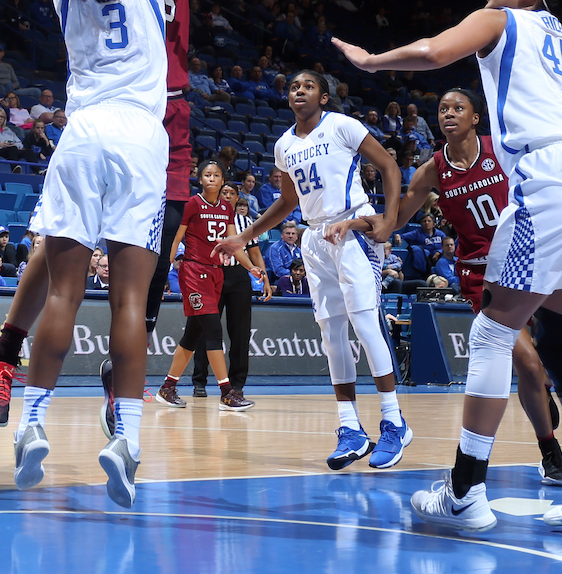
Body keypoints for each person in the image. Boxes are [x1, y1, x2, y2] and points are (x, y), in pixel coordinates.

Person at [0, 0, 276, 438]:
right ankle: (73, 391)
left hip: (118, 125)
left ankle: (53, 411)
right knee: (108, 283)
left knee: (82, 276)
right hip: (141, 129)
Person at [331, 0, 562, 529]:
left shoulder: (501, 19)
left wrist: (370, 60)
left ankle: (463, 492)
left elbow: (435, 52)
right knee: (556, 339)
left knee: (491, 332)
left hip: (554, 178)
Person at [8, 0, 229, 510]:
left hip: (81, 135)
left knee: (63, 292)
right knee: (131, 301)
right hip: (139, 138)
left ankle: (32, 425)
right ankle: (125, 439)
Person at [330, 86, 562, 485]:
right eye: (442, 108)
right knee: (527, 363)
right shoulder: (432, 170)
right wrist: (354, 223)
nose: (448, 114)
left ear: (475, 117)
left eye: (458, 108)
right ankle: (552, 455)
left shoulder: (505, 148)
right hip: (483, 276)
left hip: (530, 260)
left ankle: (543, 389)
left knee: (544, 365)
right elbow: (395, 220)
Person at [216, 70, 407, 470]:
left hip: (352, 228)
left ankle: (393, 421)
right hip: (316, 238)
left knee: (365, 324)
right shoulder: (285, 144)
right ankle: (350, 427)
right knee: (331, 333)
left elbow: (390, 166)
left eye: (308, 86)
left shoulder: (342, 125)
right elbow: (287, 203)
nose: (298, 91)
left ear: (324, 96)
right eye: (292, 87)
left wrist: (388, 220)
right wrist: (244, 237)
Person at [154, 160, 267, 411]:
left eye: (216, 175)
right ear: (200, 179)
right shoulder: (193, 204)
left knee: (192, 334)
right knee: (213, 331)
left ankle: (167, 387)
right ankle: (227, 392)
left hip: (216, 274)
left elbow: (232, 244)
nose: (212, 179)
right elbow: (176, 239)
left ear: (222, 178)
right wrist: (164, 272)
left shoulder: (227, 208)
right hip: (194, 272)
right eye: (207, 174)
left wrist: (251, 268)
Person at [190, 181, 268, 397]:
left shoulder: (245, 222)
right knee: (205, 330)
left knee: (240, 332)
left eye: (232, 193)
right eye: (224, 192)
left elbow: (255, 254)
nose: (227, 196)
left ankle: (237, 384)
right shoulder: (206, 216)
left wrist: (265, 279)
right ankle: (199, 381)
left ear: (237, 197)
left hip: (238, 277)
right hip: (210, 275)